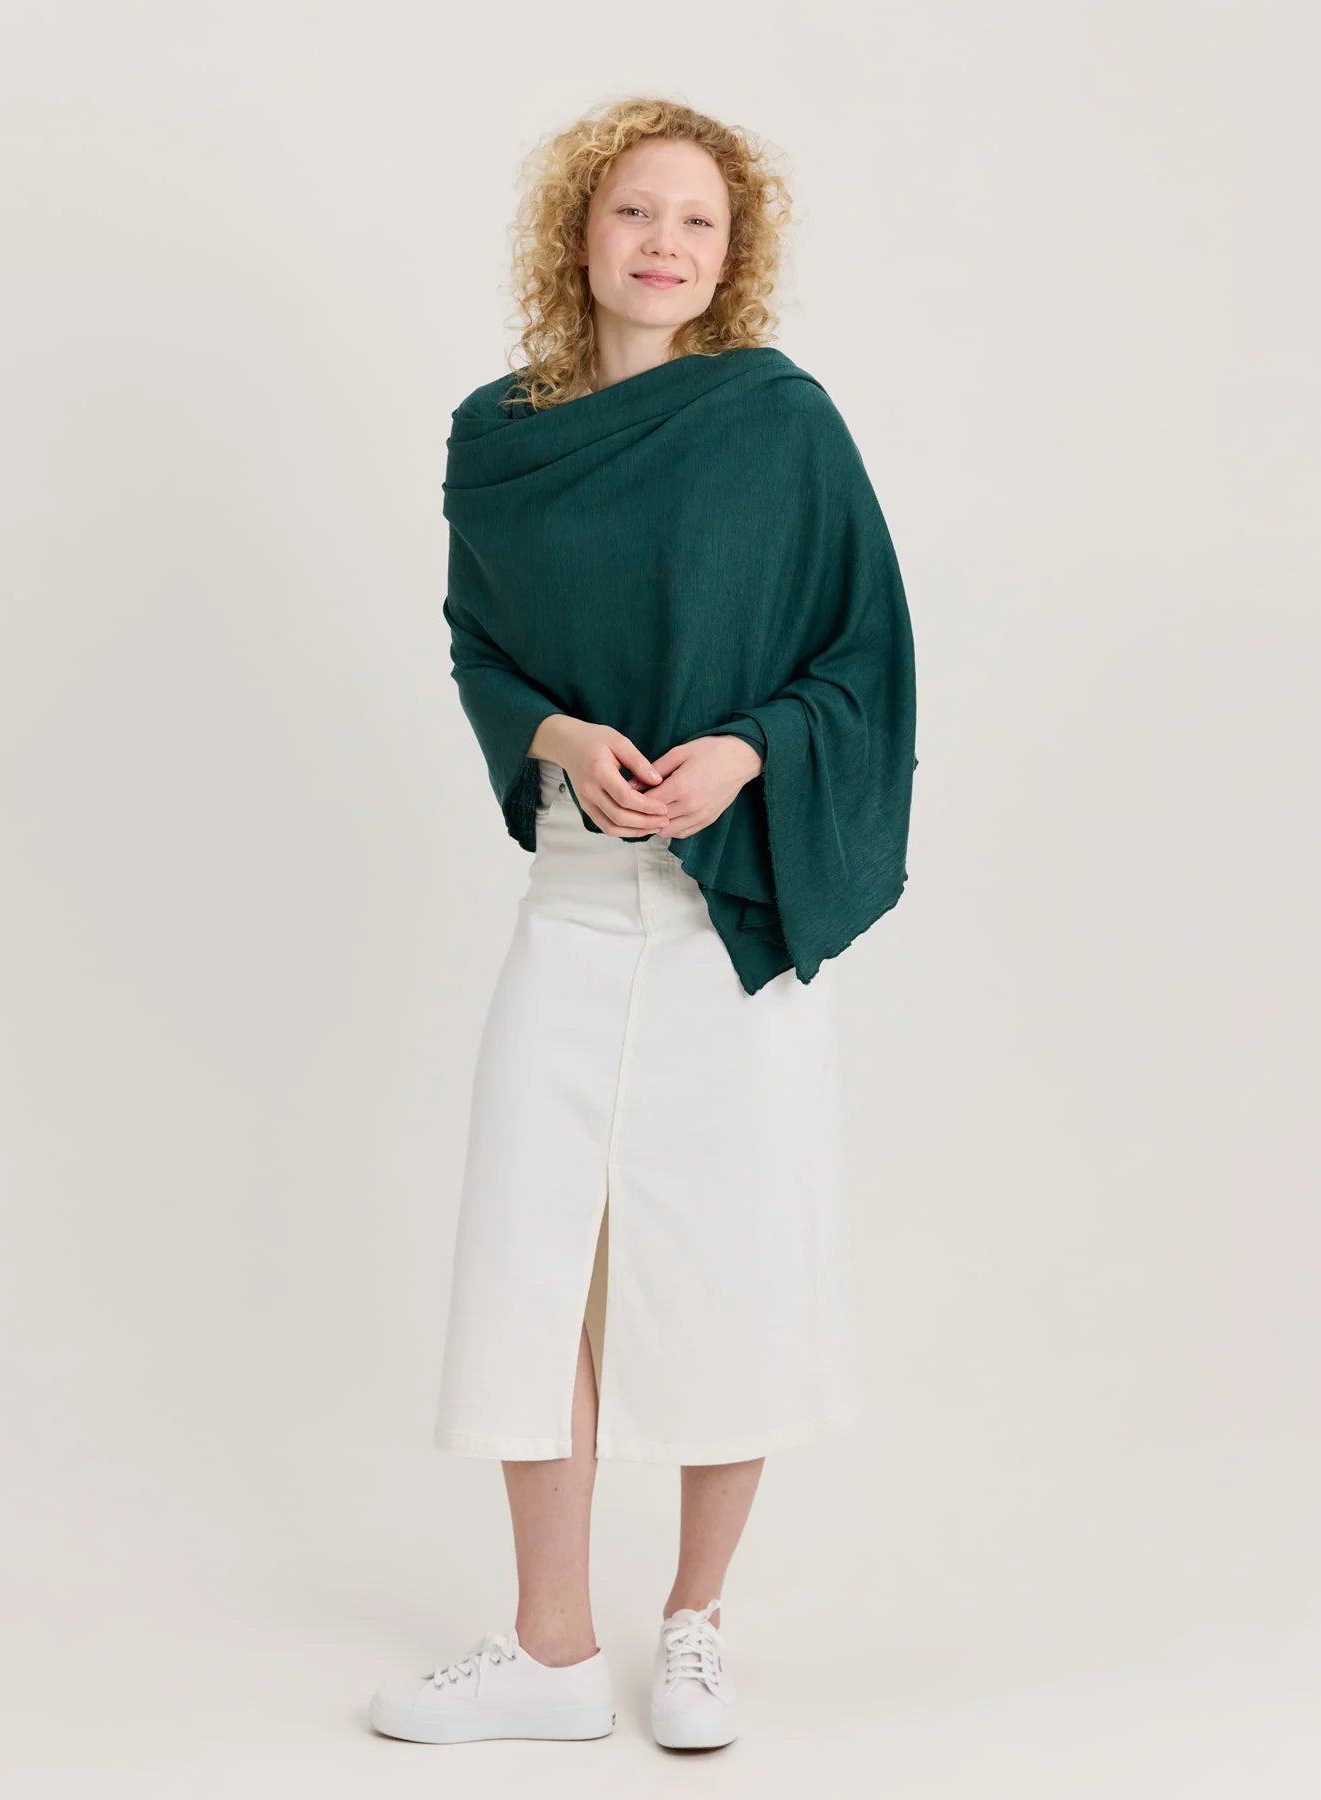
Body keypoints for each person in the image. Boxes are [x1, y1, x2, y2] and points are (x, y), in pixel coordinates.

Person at [369, 95, 917, 1752]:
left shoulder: (779, 423)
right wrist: (555, 736)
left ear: (733, 257)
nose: (663, 243)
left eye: (698, 220)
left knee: (729, 1259)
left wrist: (748, 751)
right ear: (580, 234)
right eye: (633, 211)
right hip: (571, 893)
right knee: (534, 1261)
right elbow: (477, 645)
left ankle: (694, 1625)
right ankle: (549, 1650)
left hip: (724, 902)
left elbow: (864, 654)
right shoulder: (499, 435)